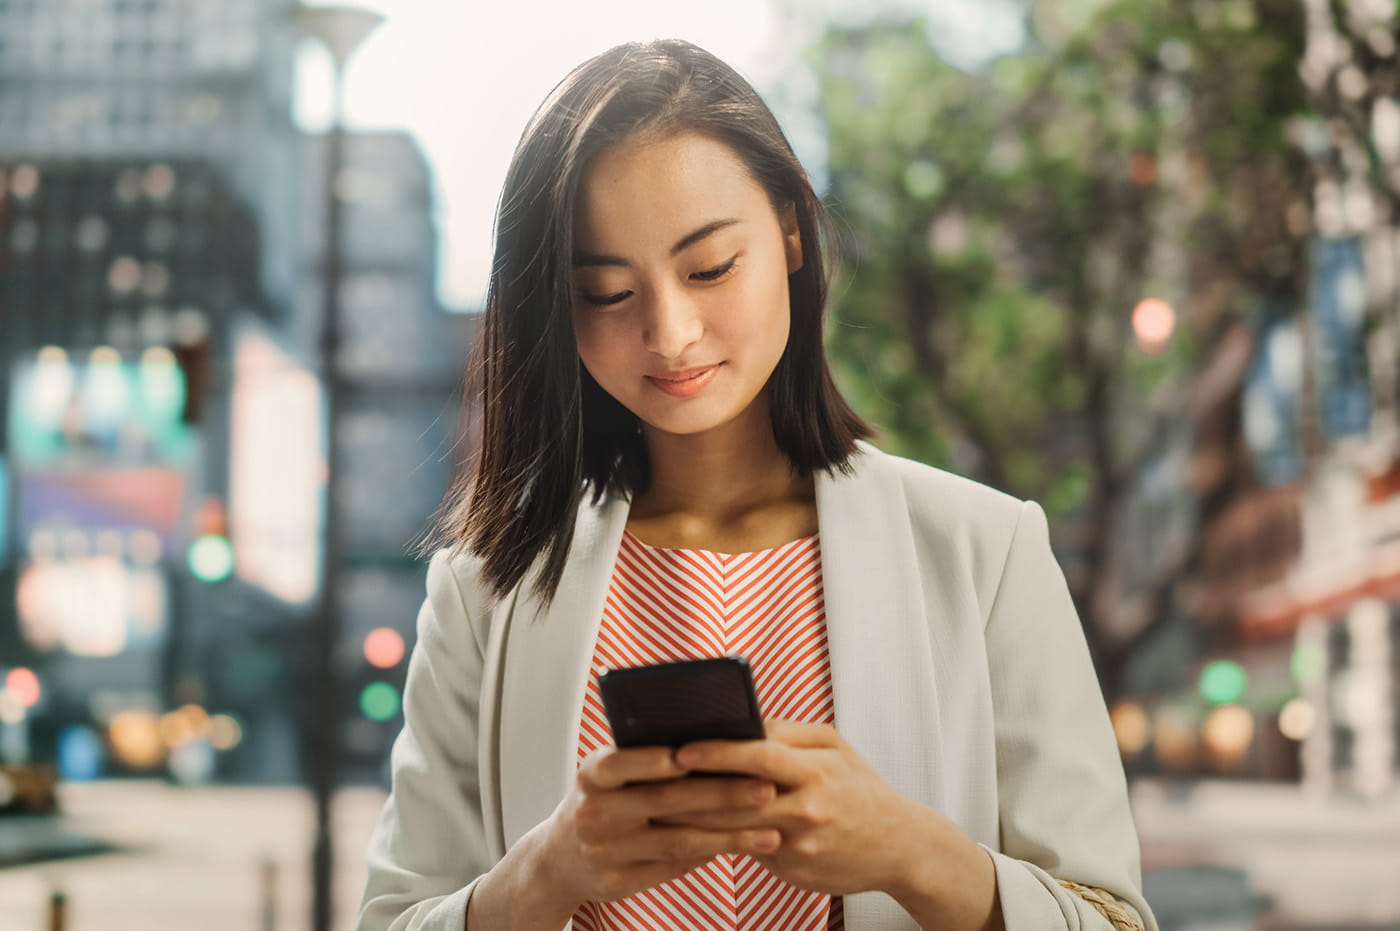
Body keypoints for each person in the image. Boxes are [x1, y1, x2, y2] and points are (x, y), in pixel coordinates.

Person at [357, 38, 1157, 931]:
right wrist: (545, 874)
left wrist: (911, 852)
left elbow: (1113, 919)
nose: (671, 332)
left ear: (790, 231)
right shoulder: (483, 592)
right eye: (607, 292)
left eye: (708, 268)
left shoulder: (986, 551)